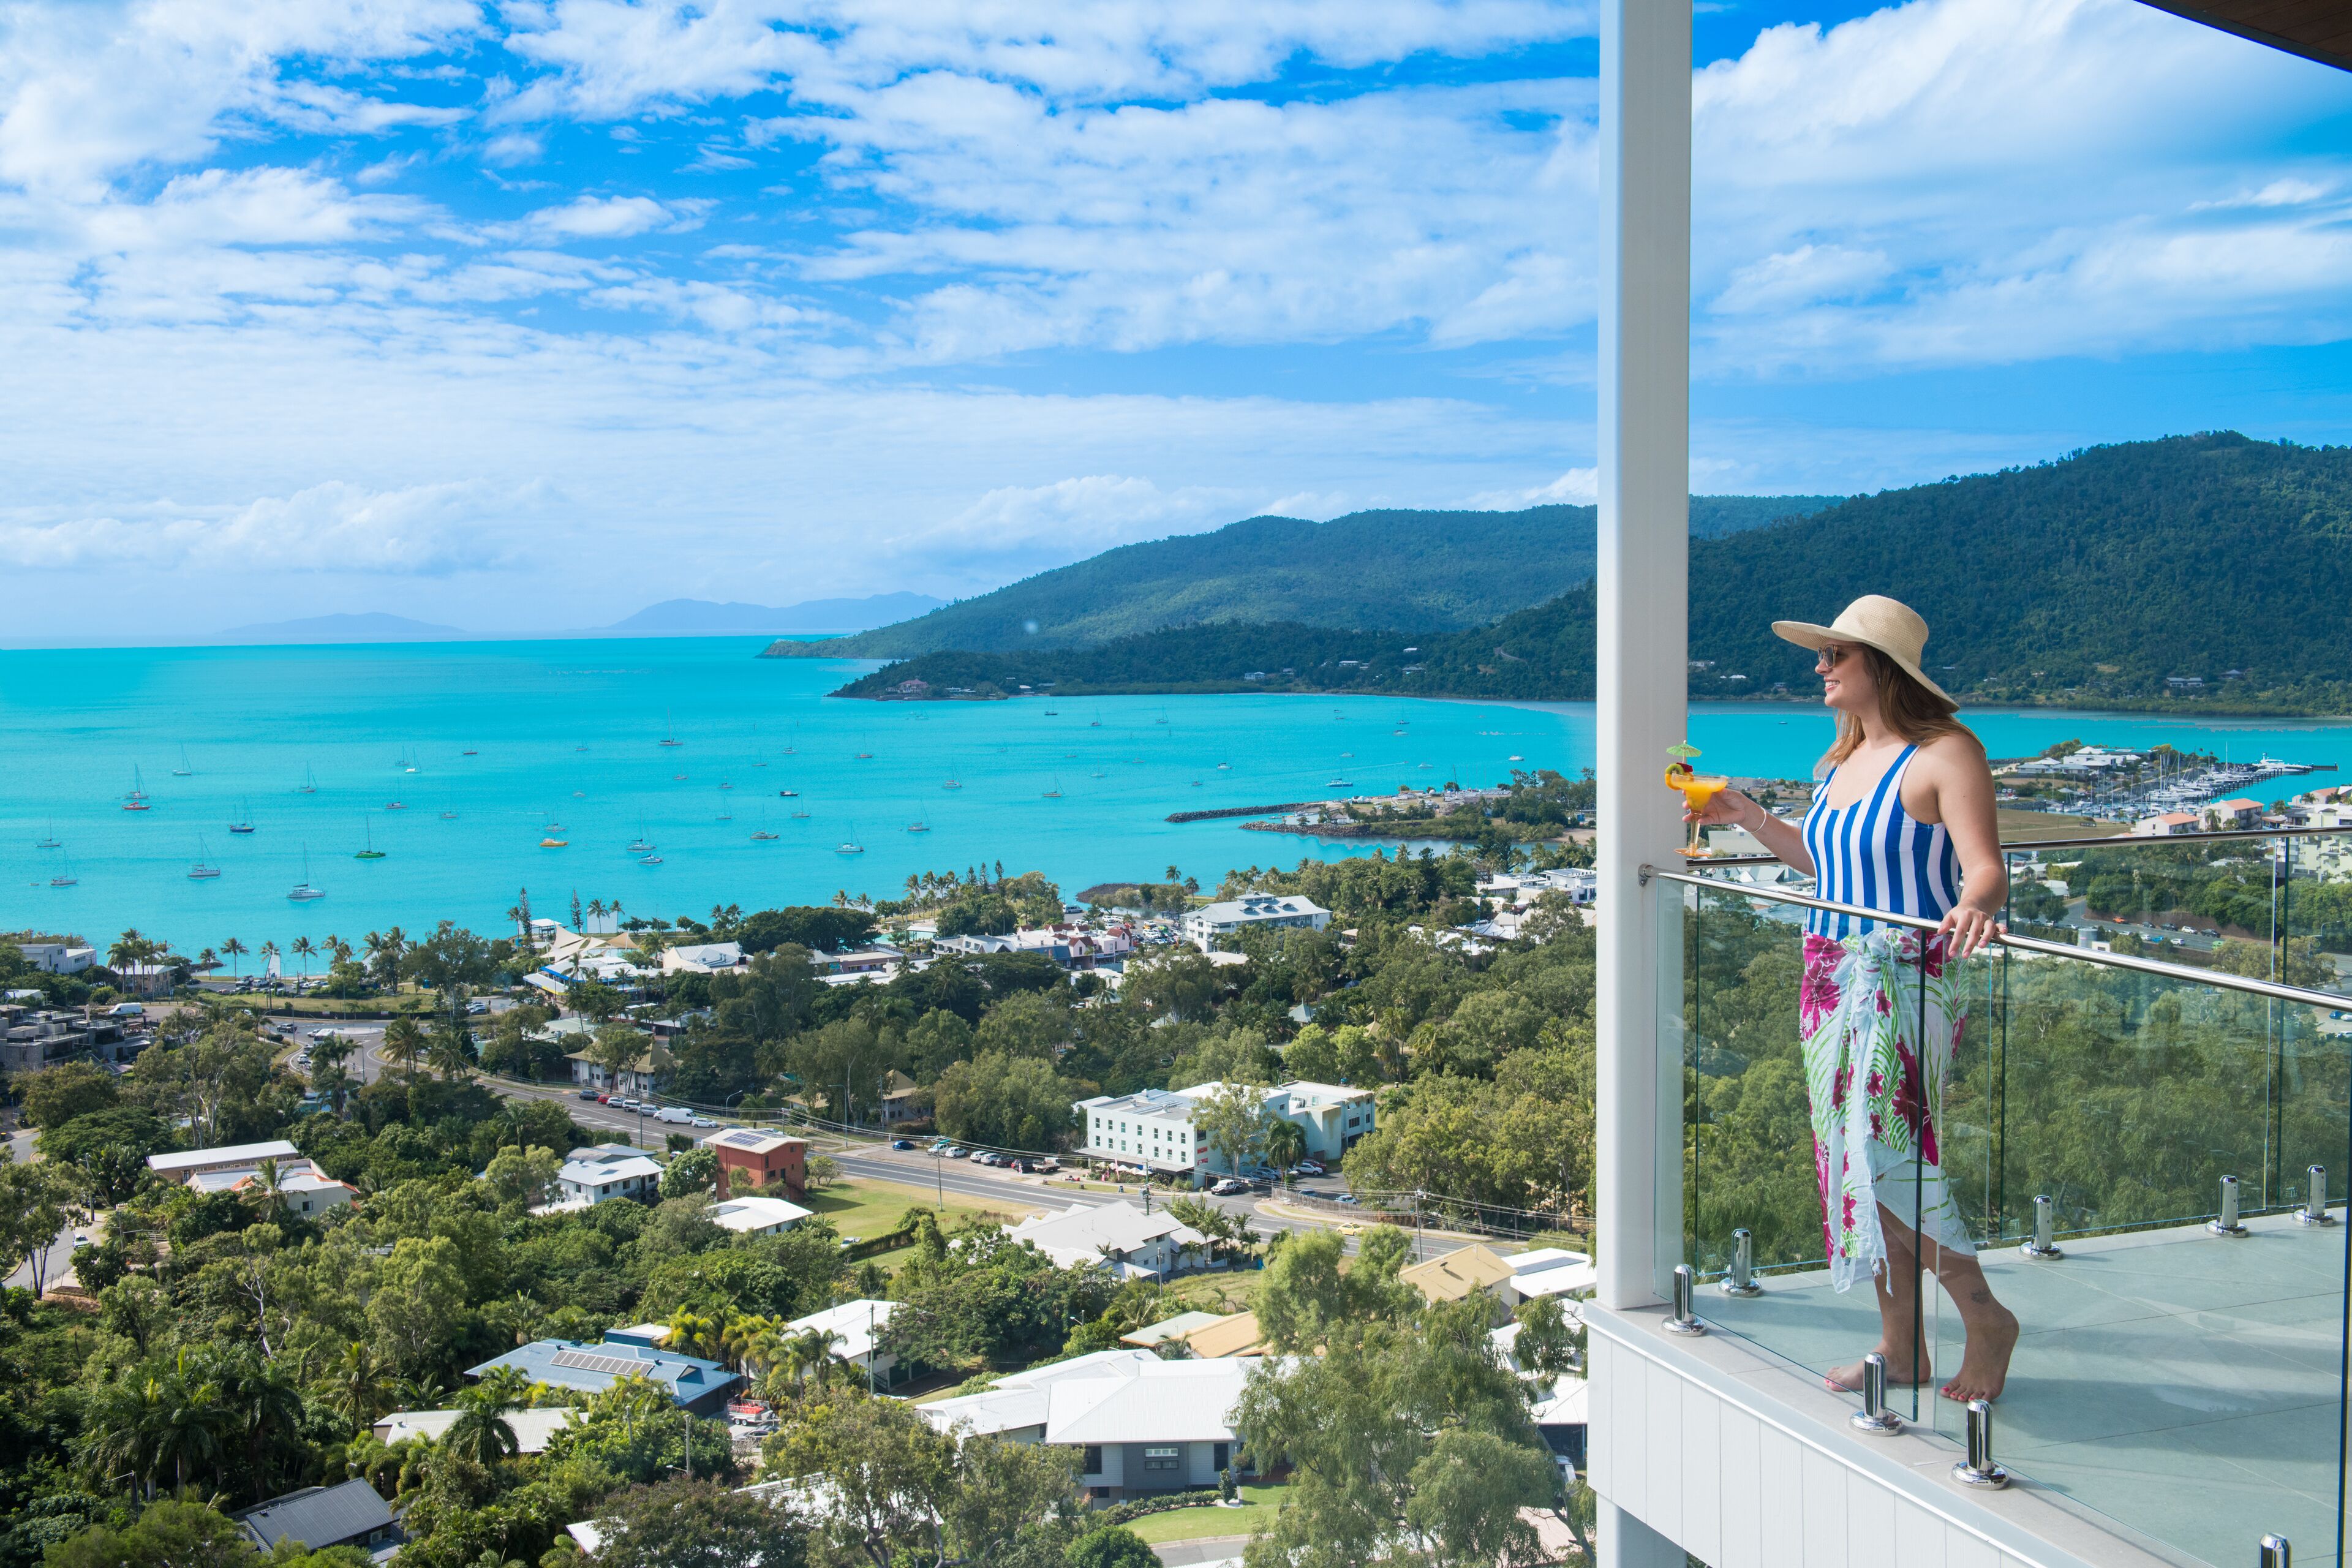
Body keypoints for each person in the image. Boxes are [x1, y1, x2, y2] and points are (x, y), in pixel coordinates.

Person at [1684, 594, 2019, 1403]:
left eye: (1837, 655)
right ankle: (1900, 1347)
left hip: (1908, 975)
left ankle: (1982, 1317)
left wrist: (1977, 902)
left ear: (1884, 668)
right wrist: (1748, 817)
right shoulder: (1836, 766)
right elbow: (1825, 865)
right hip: (1828, 976)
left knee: (1888, 1154)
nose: (1820, 667)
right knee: (1850, 1164)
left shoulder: (1947, 754)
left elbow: (1987, 866)